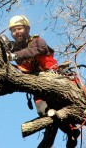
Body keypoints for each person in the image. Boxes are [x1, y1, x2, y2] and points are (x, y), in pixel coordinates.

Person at [7, 15, 81, 148]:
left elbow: (36, 50)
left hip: (53, 78)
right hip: (38, 86)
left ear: (27, 29)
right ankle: (72, 131)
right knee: (44, 111)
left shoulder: (37, 41)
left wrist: (14, 55)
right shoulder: (16, 50)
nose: (16, 32)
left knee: (64, 106)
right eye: (13, 30)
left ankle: (74, 130)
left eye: (19, 28)